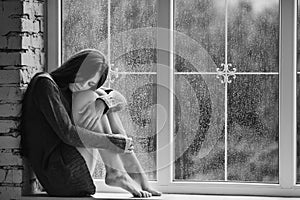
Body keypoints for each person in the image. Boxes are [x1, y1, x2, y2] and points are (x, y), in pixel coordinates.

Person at [20, 49, 161, 197]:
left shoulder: (73, 90)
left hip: (72, 165)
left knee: (101, 97)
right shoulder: (45, 84)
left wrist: (103, 104)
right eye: (83, 77)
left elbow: (120, 100)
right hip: (59, 175)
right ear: (74, 67)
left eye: (91, 82)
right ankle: (115, 172)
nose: (83, 84)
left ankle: (137, 178)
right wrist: (112, 142)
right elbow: (68, 134)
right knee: (89, 96)